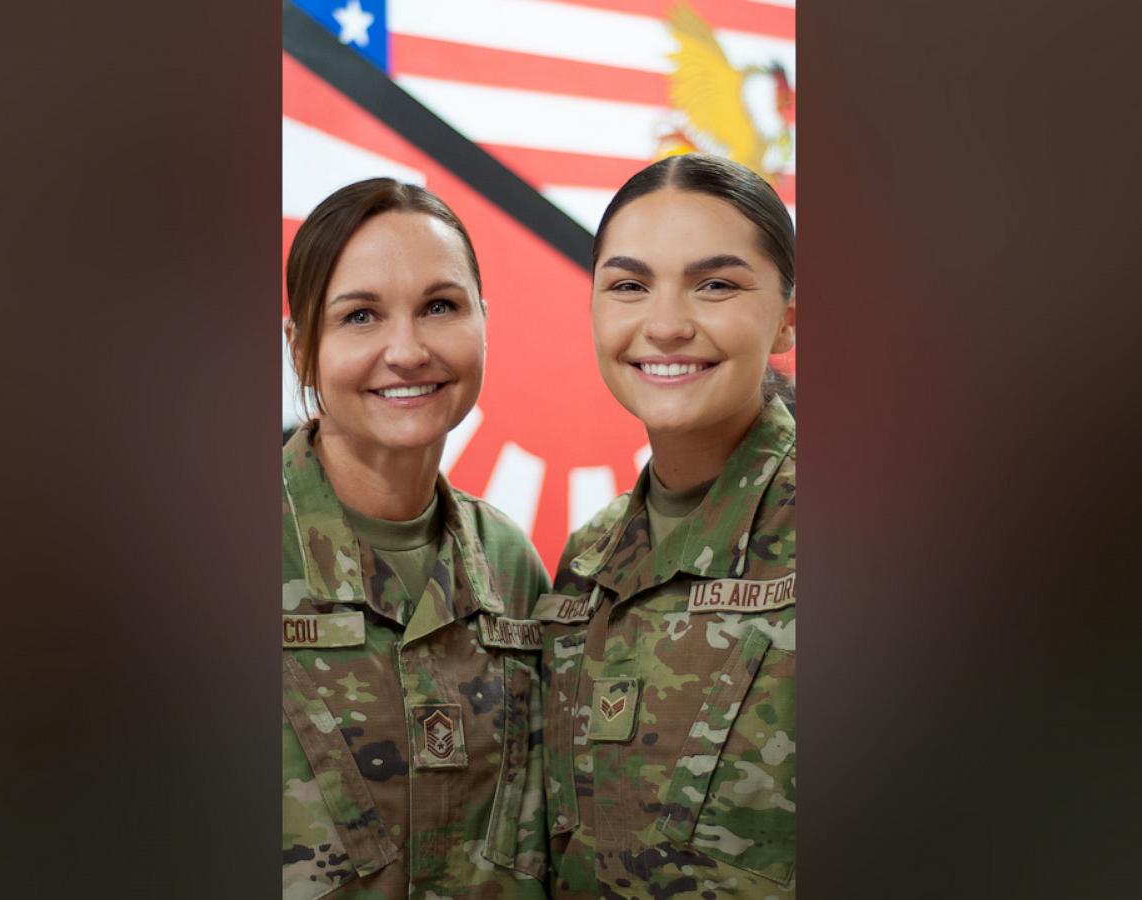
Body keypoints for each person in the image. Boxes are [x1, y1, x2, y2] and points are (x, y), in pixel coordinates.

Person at [281, 178, 550, 899]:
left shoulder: (510, 565)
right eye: (361, 316)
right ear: (302, 347)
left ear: (483, 323)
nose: (407, 350)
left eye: (440, 307)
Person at [538, 154, 798, 899]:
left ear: (787, 315)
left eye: (715, 285)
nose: (667, 325)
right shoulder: (586, 562)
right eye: (628, 286)